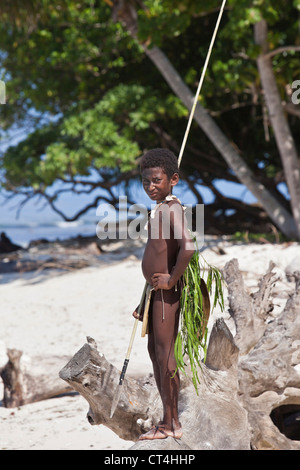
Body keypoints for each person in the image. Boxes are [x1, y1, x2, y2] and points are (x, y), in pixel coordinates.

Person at [133, 148, 195, 440]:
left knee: (165, 355)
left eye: (157, 180)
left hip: (166, 294)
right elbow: (158, 253)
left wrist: (171, 280)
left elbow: (189, 247)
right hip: (154, 294)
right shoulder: (159, 209)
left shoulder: (172, 209)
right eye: (146, 182)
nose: (150, 187)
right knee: (154, 353)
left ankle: (172, 423)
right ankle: (167, 419)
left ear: (173, 180)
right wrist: (142, 301)